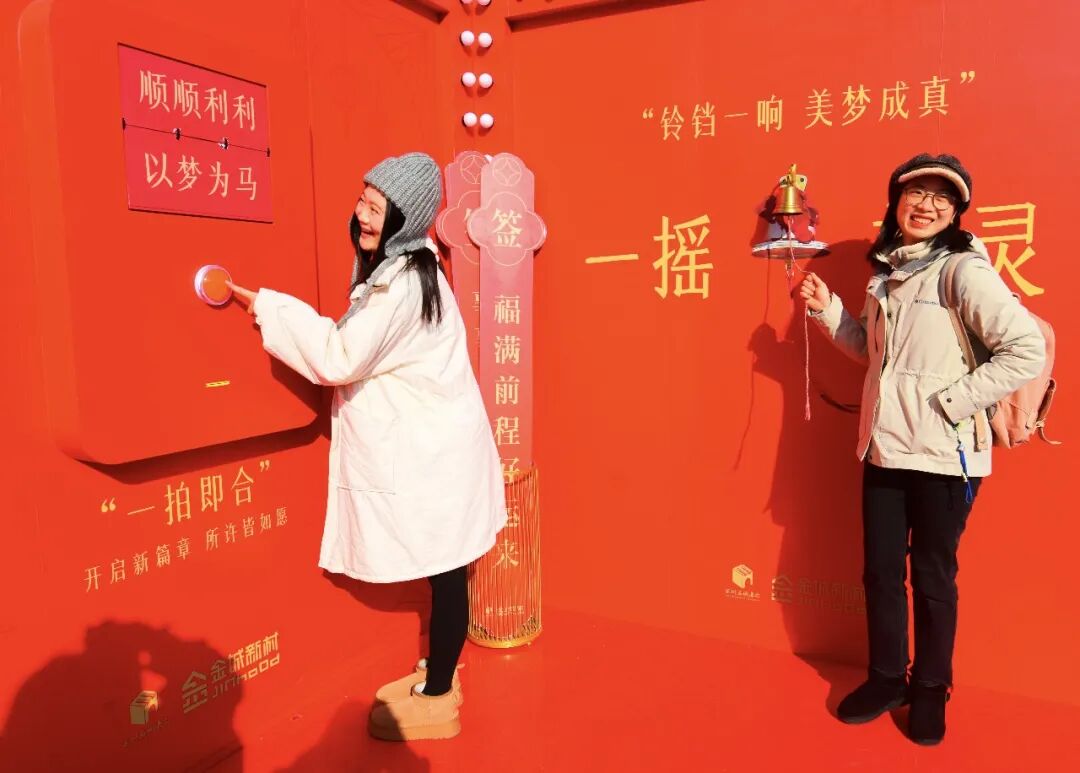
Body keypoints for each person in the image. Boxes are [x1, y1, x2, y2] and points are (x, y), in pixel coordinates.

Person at [227, 152, 506, 741]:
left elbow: (339, 357)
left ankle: (438, 698)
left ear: (406, 217)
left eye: (377, 207)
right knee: (447, 570)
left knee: (446, 572)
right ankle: (441, 677)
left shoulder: (403, 285)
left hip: (437, 456)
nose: (362, 215)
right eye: (363, 200)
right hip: (441, 452)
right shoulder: (412, 267)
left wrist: (268, 307)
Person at [799, 153, 1045, 745]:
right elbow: (872, 354)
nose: (926, 204)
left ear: (956, 212)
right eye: (916, 192)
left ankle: (931, 688)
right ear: (896, 203)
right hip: (886, 448)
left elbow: (1026, 349)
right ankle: (888, 678)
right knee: (881, 573)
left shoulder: (963, 270)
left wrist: (950, 403)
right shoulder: (886, 272)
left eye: (942, 196)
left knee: (933, 577)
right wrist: (829, 310)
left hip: (946, 455)